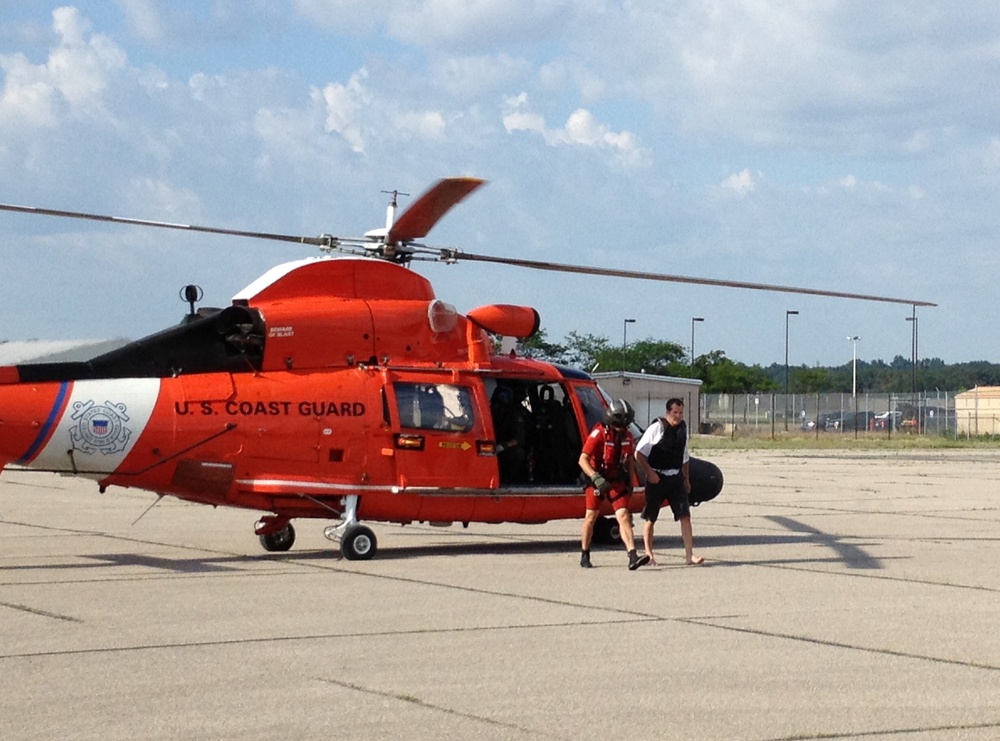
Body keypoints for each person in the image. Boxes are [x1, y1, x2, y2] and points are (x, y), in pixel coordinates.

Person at [578, 399, 650, 570]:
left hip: (616, 480)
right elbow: (582, 459)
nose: (621, 428)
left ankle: (632, 556)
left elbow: (630, 460)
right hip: (597, 480)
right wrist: (595, 477)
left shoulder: (628, 437)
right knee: (591, 517)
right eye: (619, 424)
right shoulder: (598, 434)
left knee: (623, 515)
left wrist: (631, 480)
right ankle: (585, 553)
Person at [635, 398, 704, 566]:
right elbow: (639, 453)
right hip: (657, 478)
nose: (678, 416)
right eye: (675, 413)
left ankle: (690, 555)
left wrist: (686, 479)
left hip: (675, 478)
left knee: (685, 516)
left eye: (681, 413)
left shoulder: (682, 429)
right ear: (668, 413)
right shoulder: (657, 428)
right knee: (651, 518)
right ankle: (649, 555)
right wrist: (650, 473)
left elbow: (685, 457)